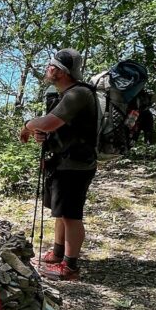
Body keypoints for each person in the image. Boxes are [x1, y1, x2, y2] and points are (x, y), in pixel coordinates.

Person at [19, 48, 97, 280]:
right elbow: (54, 128)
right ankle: (58, 253)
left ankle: (70, 267)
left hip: (76, 164)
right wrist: (41, 134)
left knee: (71, 215)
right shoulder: (63, 94)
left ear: (61, 71)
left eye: (50, 66)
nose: (47, 69)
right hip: (62, 163)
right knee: (60, 213)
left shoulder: (79, 94)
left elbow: (50, 122)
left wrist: (27, 125)